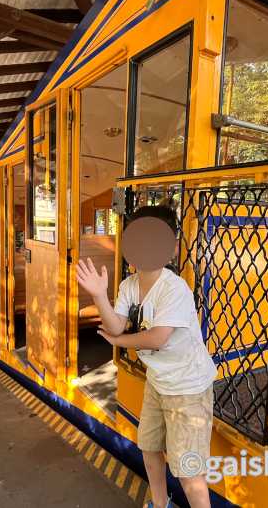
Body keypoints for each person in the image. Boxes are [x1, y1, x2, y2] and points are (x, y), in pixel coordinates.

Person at [75, 205, 217, 508]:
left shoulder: (174, 289)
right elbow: (116, 323)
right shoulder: (129, 285)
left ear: (171, 247)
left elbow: (157, 337)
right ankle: (159, 503)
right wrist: (99, 295)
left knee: (189, 473)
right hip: (159, 382)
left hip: (188, 387)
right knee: (149, 449)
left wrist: (119, 340)